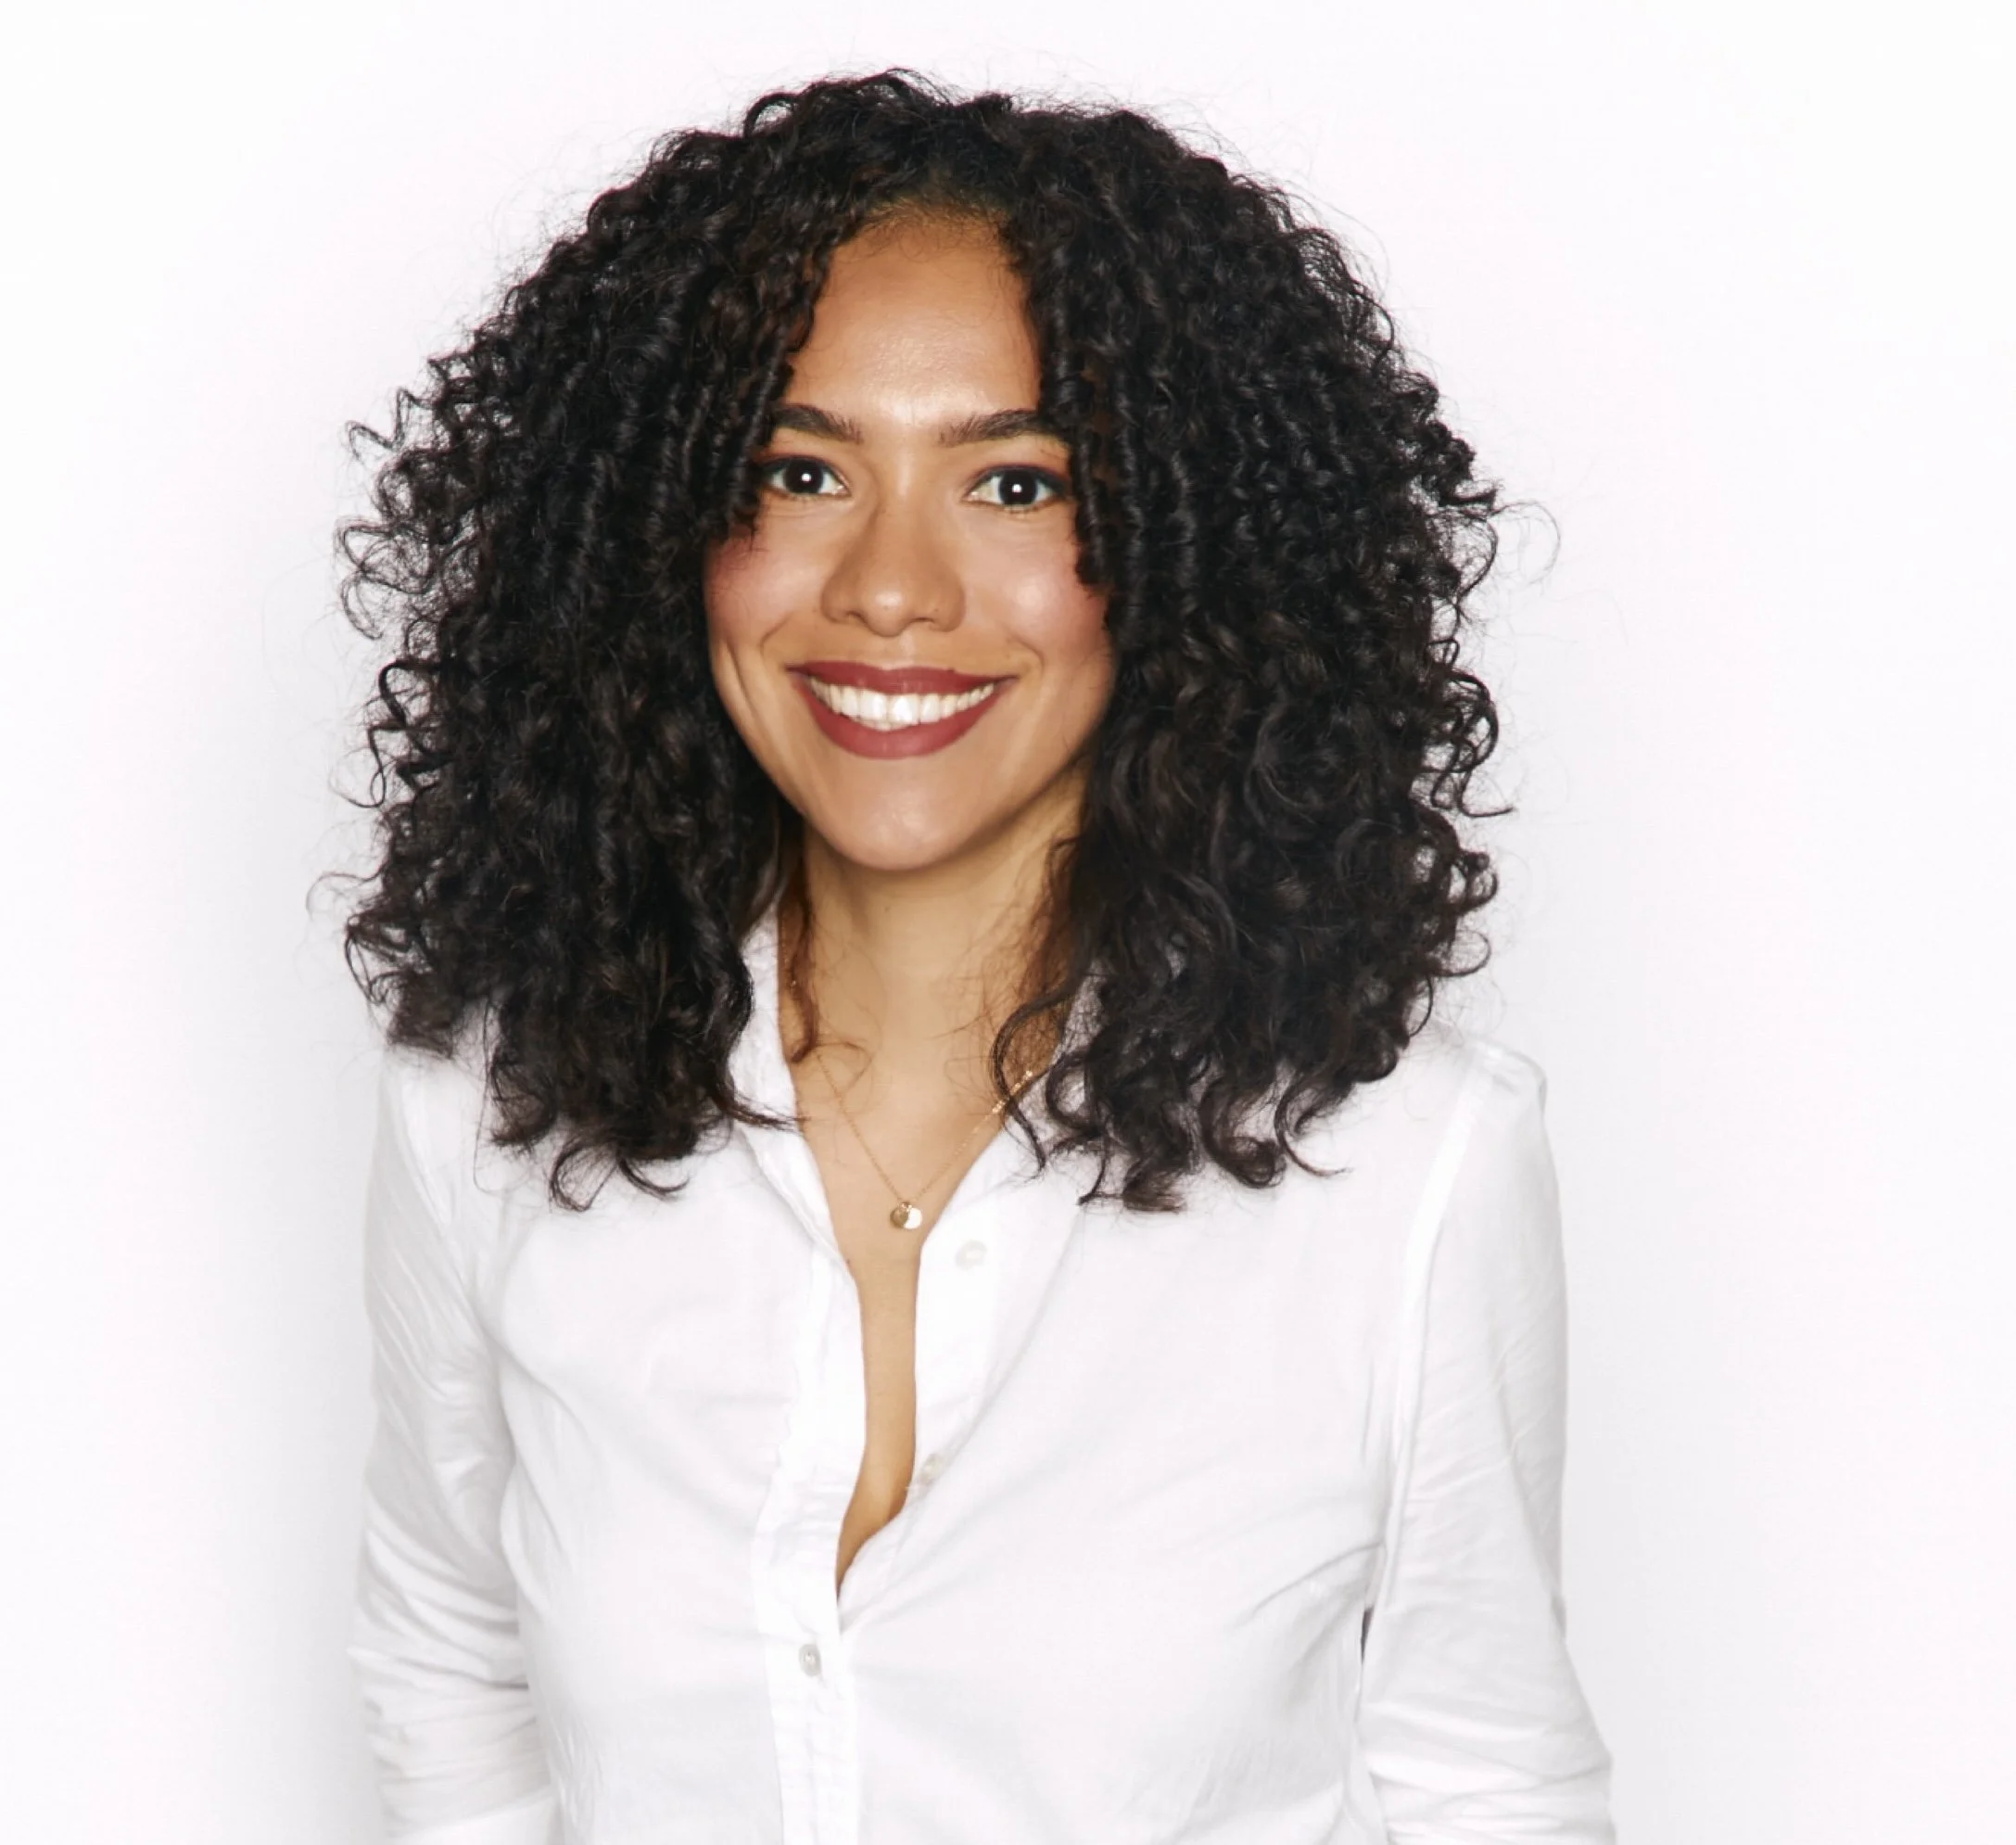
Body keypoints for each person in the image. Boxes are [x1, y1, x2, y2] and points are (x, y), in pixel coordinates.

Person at [340, 70, 1614, 1845]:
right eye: (800, 471)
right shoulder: (489, 1107)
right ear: (660, 543)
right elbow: (450, 1681)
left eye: (1014, 482)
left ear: (1181, 554)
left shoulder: (1411, 1166)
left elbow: (1484, 1786)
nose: (888, 586)